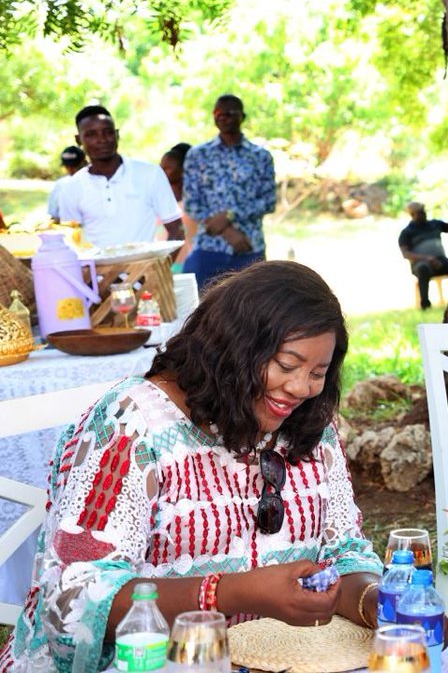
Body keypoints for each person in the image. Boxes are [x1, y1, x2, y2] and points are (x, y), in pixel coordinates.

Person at [0, 262, 386, 672]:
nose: (299, 388)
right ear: (234, 348)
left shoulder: (310, 424)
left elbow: (344, 552)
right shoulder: (133, 425)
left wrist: (374, 600)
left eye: (317, 373)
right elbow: (73, 601)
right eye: (286, 365)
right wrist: (233, 593)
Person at [183, 94, 276, 291]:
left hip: (249, 245)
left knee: (253, 310)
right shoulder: (198, 155)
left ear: (242, 116)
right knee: (203, 309)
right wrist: (227, 231)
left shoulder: (260, 156)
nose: (223, 117)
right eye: (218, 113)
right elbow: (191, 202)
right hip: (209, 247)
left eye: (229, 113)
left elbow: (268, 201)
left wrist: (230, 215)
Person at [55, 106, 184, 248]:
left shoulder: (150, 174)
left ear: (117, 135)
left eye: (108, 132)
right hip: (96, 269)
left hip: (146, 268)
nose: (102, 140)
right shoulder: (72, 187)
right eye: (92, 134)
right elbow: (71, 242)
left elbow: (177, 230)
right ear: (79, 139)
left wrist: (158, 266)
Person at [398, 201, 448, 309]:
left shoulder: (435, 224)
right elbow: (406, 254)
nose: (424, 214)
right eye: (420, 212)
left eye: (424, 211)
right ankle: (425, 304)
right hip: (421, 264)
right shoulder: (407, 232)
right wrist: (427, 258)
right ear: (413, 214)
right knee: (423, 268)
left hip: (441, 261)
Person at [160, 142, 199, 268]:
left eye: (167, 168)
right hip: (164, 263)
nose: (162, 172)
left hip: (192, 262)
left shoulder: (196, 200)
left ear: (183, 170)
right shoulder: (159, 198)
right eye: (161, 167)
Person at [46, 145, 87, 221]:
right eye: (67, 166)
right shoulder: (60, 184)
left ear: (84, 163)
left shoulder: (94, 183)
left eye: (74, 166)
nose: (70, 169)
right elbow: (53, 215)